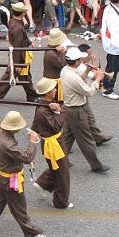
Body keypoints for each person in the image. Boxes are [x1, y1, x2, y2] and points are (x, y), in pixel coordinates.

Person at [0, 111, 46, 237]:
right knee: (19, 208)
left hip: (3, 176)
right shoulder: (8, 143)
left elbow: (16, 156)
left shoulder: (1, 135)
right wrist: (32, 142)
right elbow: (26, 157)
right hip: (11, 180)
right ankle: (30, 233)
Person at [59, 47, 111, 173]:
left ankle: (61, 160)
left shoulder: (66, 70)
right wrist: (98, 79)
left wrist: (87, 71)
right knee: (86, 140)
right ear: (76, 61)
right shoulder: (72, 76)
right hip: (77, 111)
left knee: (66, 138)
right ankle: (96, 165)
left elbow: (79, 80)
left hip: (69, 109)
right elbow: (89, 92)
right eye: (80, 59)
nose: (82, 60)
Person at [30, 78, 72, 209]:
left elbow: (35, 125)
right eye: (53, 89)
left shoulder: (43, 105)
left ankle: (43, 183)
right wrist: (62, 111)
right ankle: (60, 202)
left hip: (53, 142)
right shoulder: (43, 110)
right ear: (48, 93)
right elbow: (56, 126)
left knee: (57, 168)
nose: (55, 90)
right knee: (62, 173)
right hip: (53, 143)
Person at [0, 2, 38, 101]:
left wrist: (29, 42)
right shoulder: (18, 27)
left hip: (18, 53)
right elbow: (18, 45)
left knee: (23, 76)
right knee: (16, 75)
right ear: (22, 14)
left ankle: (32, 95)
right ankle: (31, 96)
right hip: (19, 55)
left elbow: (20, 39)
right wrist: (17, 64)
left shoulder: (13, 22)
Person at [101, 0, 119, 100]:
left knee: (111, 66)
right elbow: (115, 34)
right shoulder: (113, 13)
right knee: (113, 67)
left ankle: (104, 83)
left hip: (109, 43)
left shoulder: (110, 8)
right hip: (113, 45)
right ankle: (108, 89)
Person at [42, 28, 68, 102]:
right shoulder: (51, 54)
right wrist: (62, 52)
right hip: (52, 81)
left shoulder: (51, 49)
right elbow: (62, 64)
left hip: (52, 78)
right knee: (55, 100)